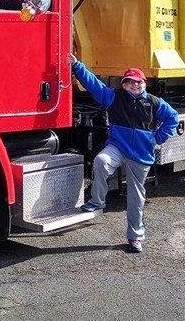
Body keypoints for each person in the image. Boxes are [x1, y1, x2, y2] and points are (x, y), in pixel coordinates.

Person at [71, 54, 178, 253]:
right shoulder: (114, 98)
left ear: (144, 84)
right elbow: (94, 85)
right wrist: (77, 66)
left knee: (135, 199)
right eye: (129, 83)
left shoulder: (155, 103)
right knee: (101, 161)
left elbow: (173, 118)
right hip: (118, 147)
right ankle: (97, 201)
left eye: (138, 82)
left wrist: (157, 138)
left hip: (141, 154)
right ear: (124, 85)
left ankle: (135, 237)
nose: (134, 86)